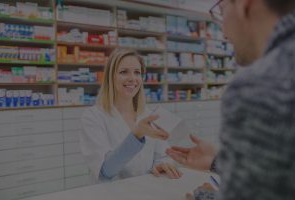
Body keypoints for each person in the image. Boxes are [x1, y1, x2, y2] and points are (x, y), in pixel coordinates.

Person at [166, 0, 295, 199]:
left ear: (244, 4)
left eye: (221, 10)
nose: (224, 32)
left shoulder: (258, 87)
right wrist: (216, 161)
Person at [80, 48, 182, 183]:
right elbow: (105, 170)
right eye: (124, 72)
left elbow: (163, 154)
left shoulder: (150, 114)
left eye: (137, 73)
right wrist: (136, 135)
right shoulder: (93, 117)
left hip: (147, 190)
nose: (132, 78)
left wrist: (162, 164)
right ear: (110, 76)